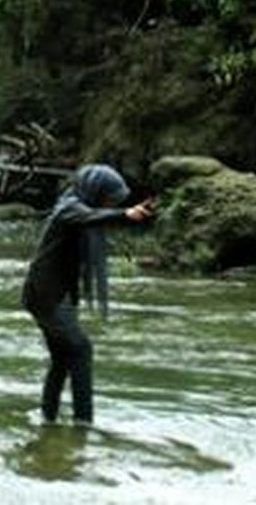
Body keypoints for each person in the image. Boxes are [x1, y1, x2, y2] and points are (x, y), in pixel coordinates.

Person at [20, 163, 156, 426]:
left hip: (51, 294)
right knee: (81, 350)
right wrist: (125, 214)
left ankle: (48, 418)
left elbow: (93, 218)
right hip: (47, 296)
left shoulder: (76, 207)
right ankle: (83, 424)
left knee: (61, 357)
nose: (107, 205)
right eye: (106, 199)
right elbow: (89, 217)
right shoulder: (69, 208)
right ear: (95, 191)